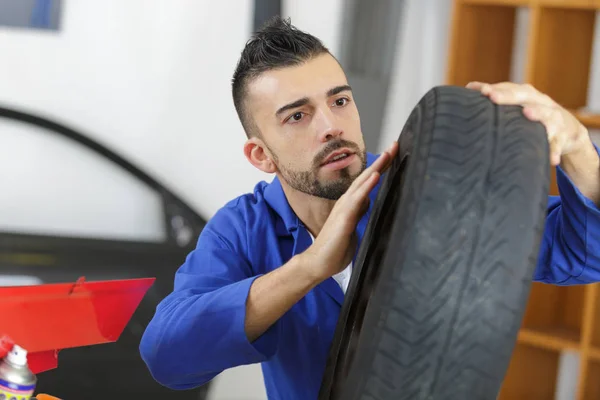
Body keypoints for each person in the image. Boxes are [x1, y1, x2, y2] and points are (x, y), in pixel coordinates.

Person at [139, 16, 600, 399]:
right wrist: (311, 268)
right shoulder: (241, 229)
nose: (330, 127)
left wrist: (578, 144)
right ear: (262, 155)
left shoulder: (430, 189)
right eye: (297, 116)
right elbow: (169, 358)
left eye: (339, 101)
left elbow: (585, 254)